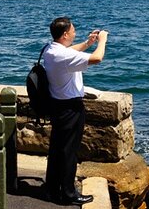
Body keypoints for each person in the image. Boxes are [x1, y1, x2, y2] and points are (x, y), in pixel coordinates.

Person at [43, 17, 108, 205]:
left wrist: (88, 43)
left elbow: (70, 51)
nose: (75, 32)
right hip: (70, 108)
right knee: (69, 152)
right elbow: (97, 58)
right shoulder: (63, 56)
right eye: (73, 30)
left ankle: (52, 190)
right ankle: (69, 194)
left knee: (57, 150)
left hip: (57, 105)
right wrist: (102, 41)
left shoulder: (51, 50)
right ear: (65, 34)